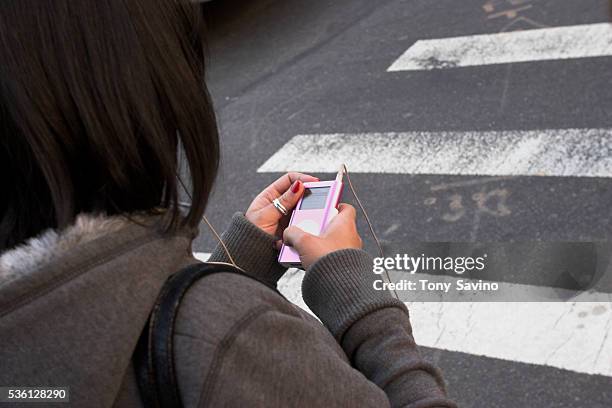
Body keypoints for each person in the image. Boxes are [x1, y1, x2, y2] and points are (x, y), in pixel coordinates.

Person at [0, 1, 456, 407]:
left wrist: (238, 262)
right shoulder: (239, 337)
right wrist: (357, 300)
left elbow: (133, 336)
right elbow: (198, 350)